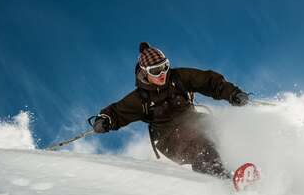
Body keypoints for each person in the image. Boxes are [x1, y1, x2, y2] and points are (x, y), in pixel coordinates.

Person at [92, 42, 249, 178]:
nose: (162, 74)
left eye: (164, 67)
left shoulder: (178, 77)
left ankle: (232, 170)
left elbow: (209, 82)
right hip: (168, 138)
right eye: (155, 71)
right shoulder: (141, 98)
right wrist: (105, 120)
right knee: (200, 146)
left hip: (192, 122)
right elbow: (118, 112)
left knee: (218, 128)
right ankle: (221, 180)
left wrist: (233, 94)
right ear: (145, 72)